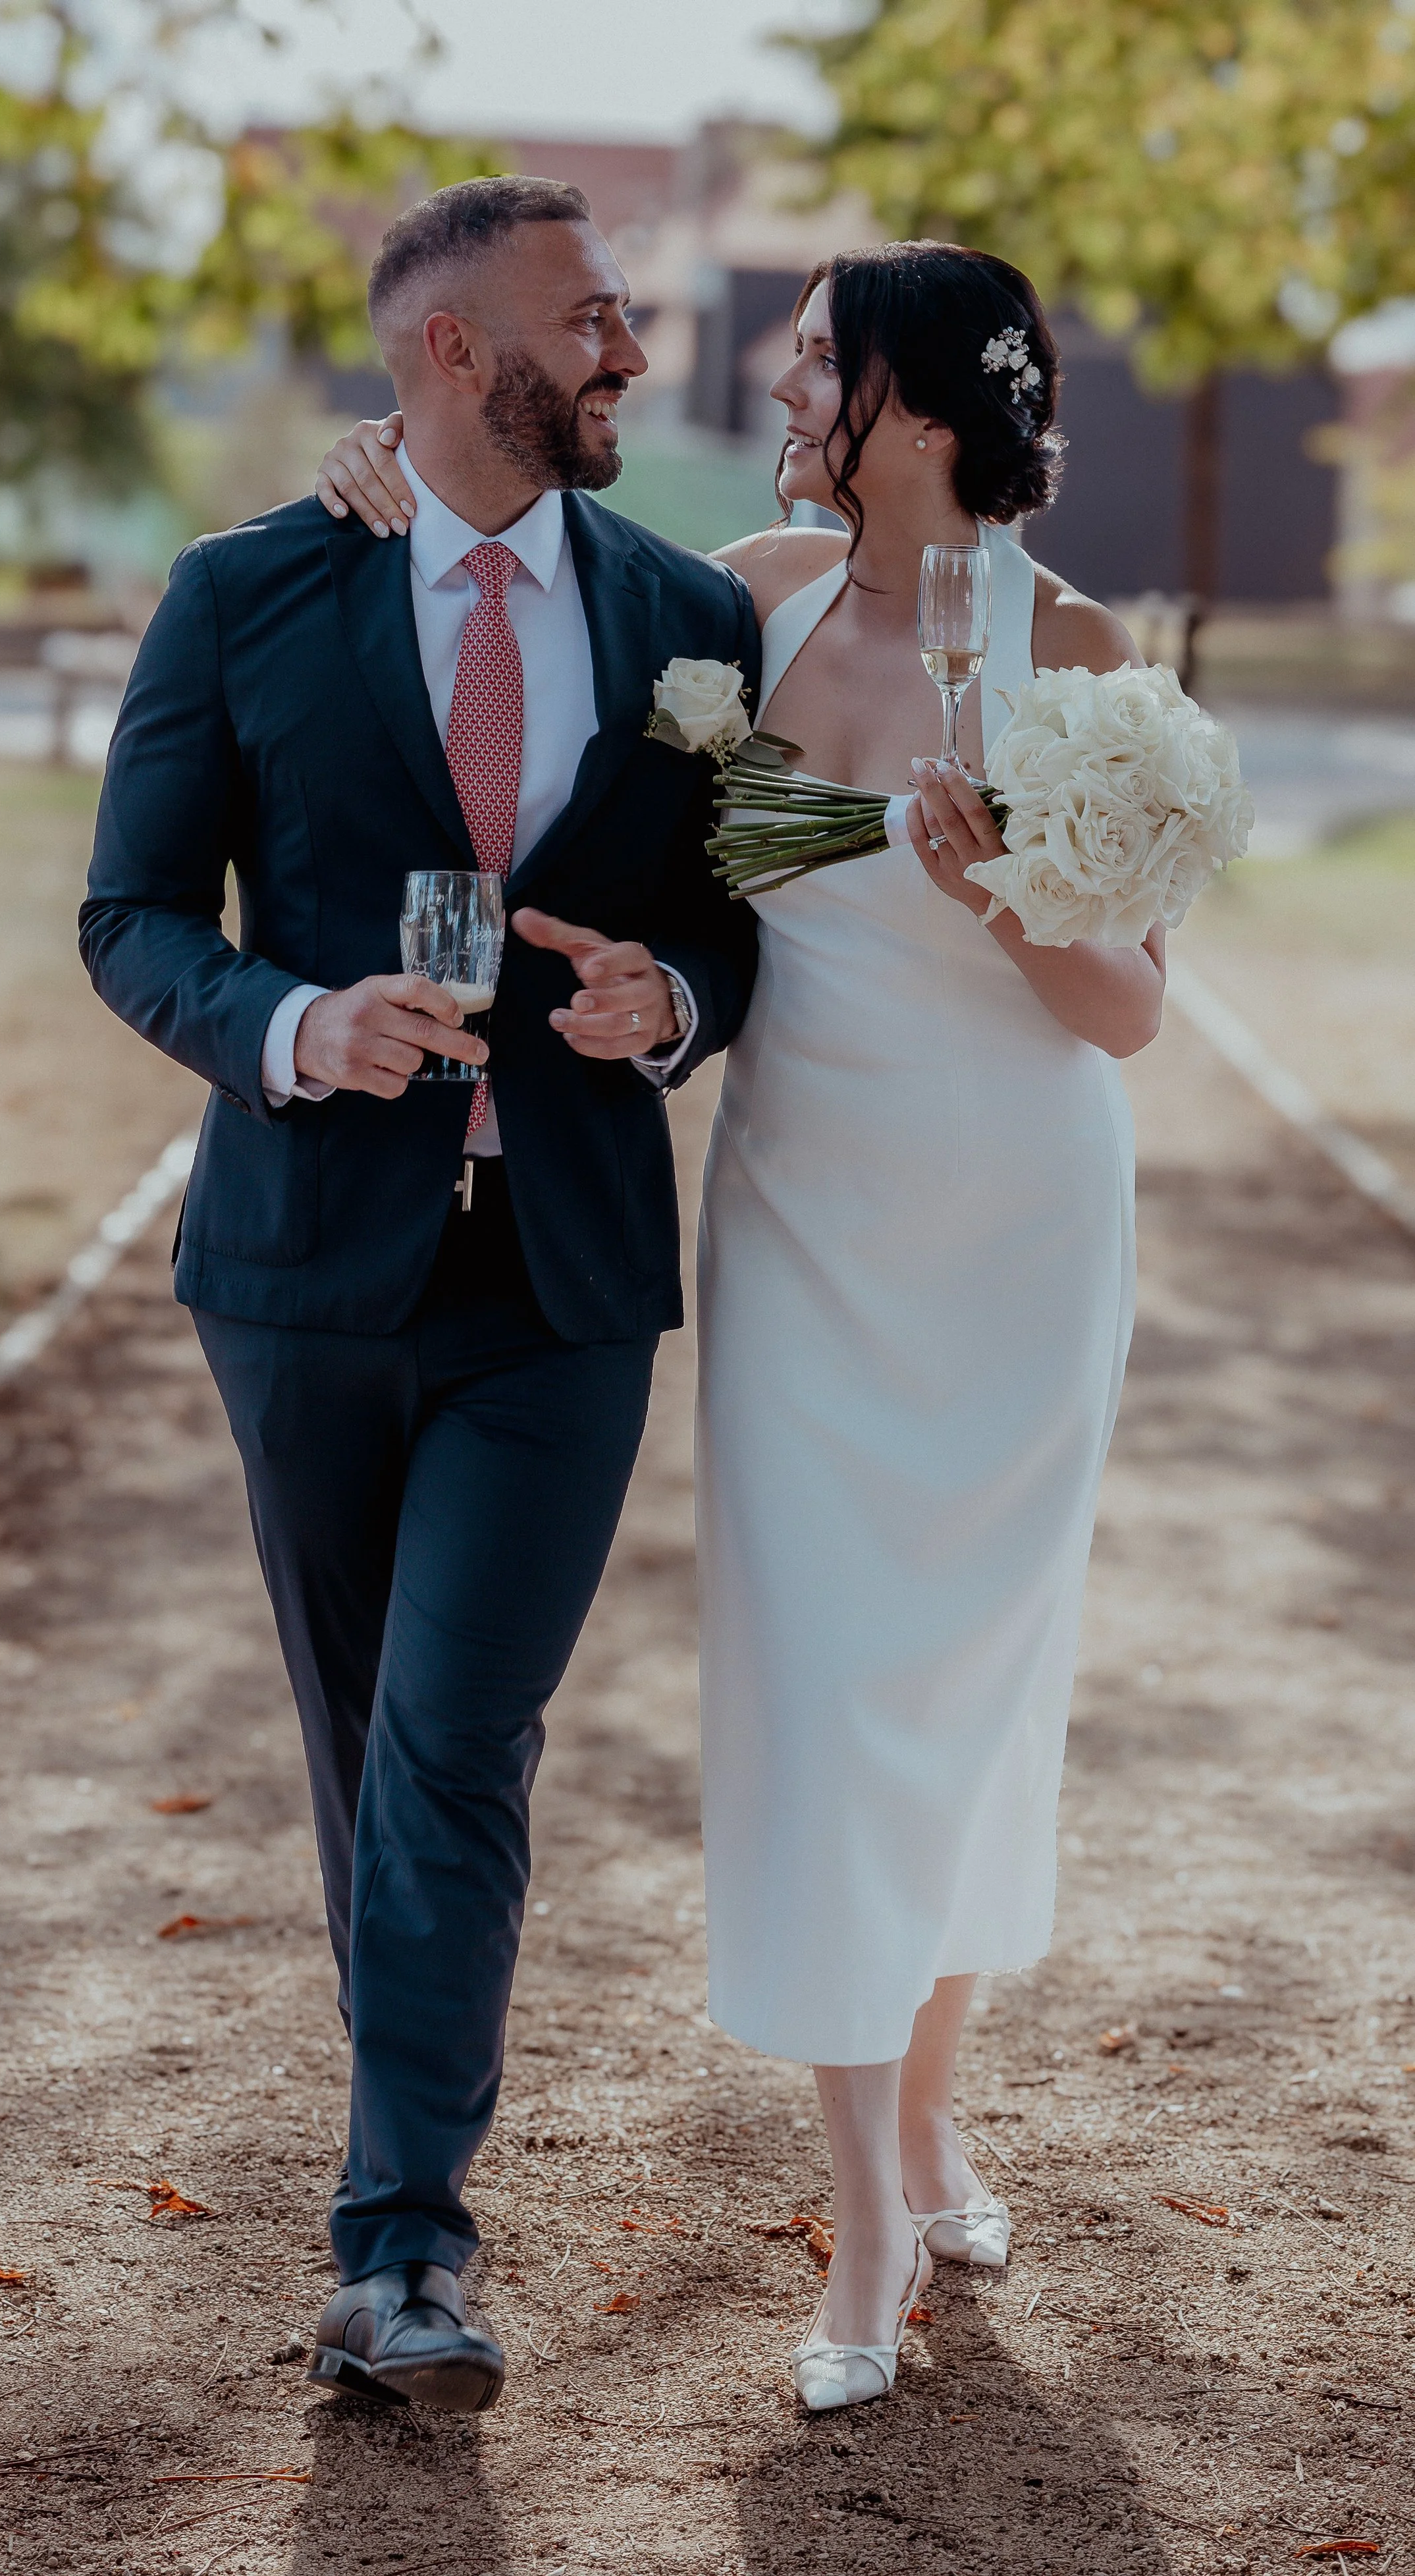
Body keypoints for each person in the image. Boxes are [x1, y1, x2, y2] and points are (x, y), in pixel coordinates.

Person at [314, 238, 1159, 2415]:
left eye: (810, 364)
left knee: (963, 1697)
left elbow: (1127, 1009)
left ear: (916, 403)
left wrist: (1000, 883)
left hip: (1016, 1233)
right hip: (802, 1224)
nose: (776, 391)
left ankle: (927, 2121)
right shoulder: (743, 604)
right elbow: (518, 563)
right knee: (821, 1691)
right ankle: (866, 2201)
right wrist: (379, 470)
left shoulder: (1076, 648)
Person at [80, 175, 759, 2415]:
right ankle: (403, 2195)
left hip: (560, 1285)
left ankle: (402, 2247)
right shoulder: (247, 590)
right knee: (367, 1739)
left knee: (457, 1738)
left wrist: (671, 995)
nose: (631, 352)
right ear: (454, 351)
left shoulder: (689, 619)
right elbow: (131, 916)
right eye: (594, 317)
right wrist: (297, 1024)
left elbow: (744, 918)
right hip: (303, 1272)